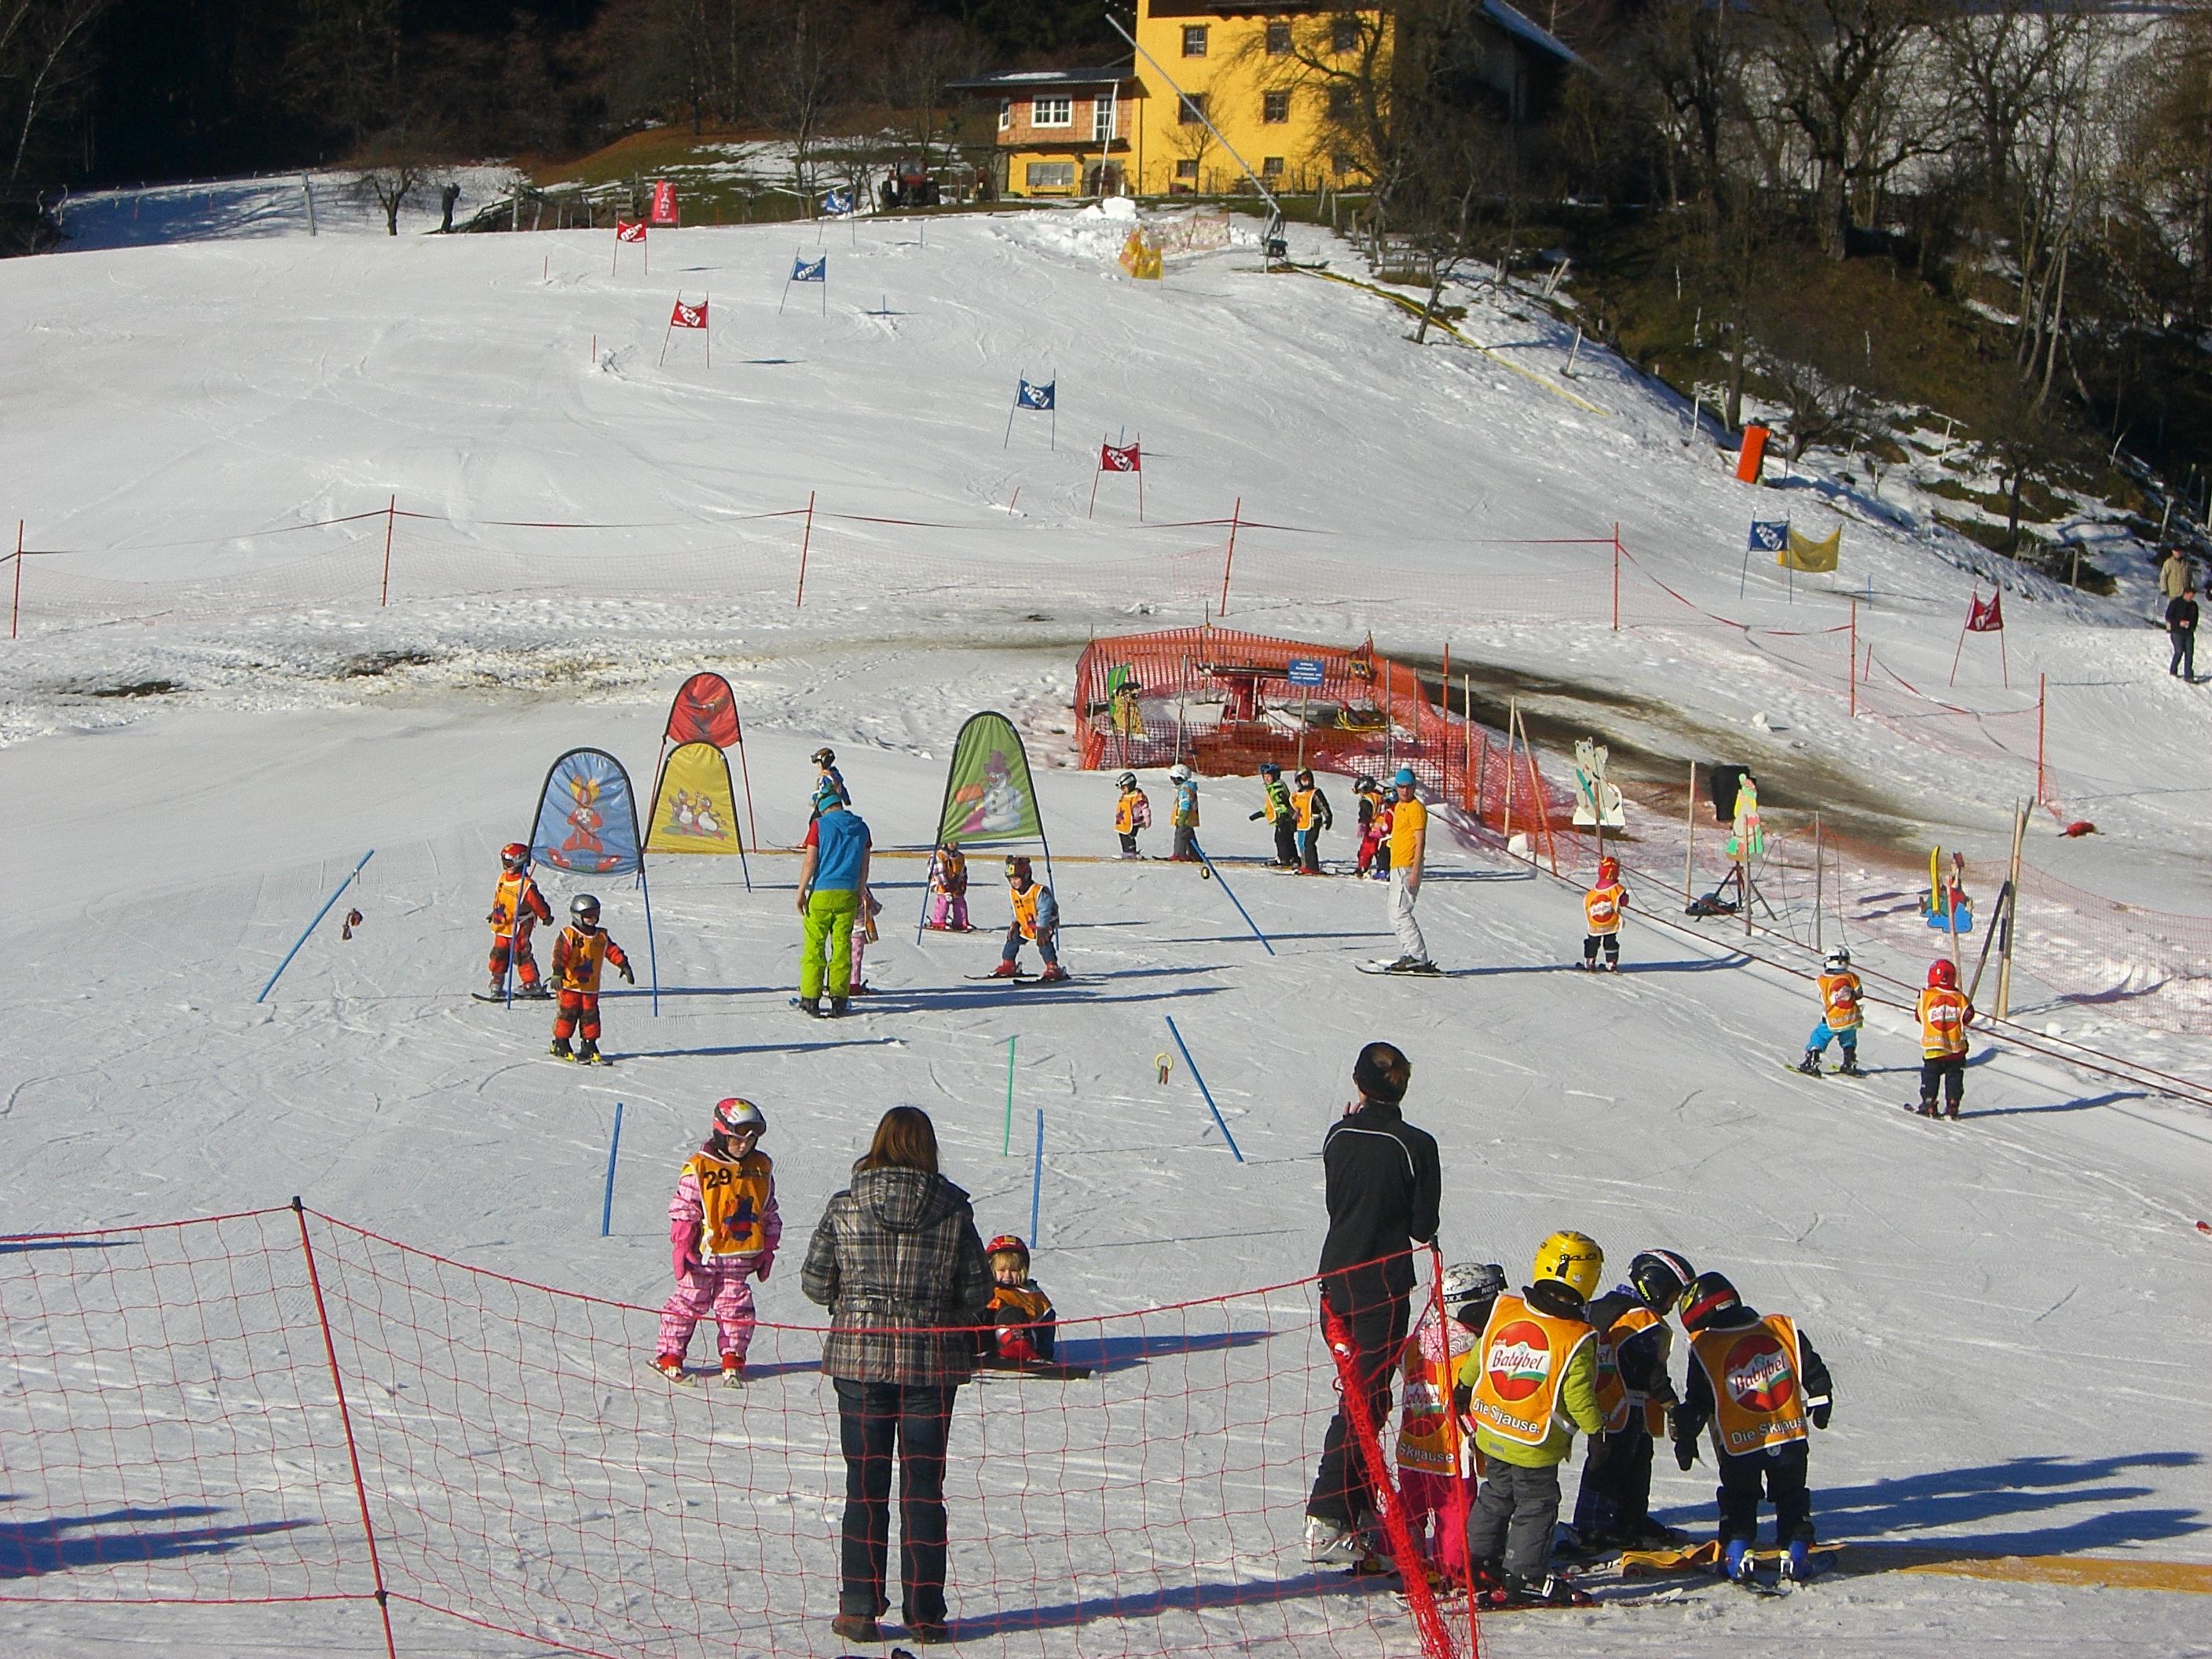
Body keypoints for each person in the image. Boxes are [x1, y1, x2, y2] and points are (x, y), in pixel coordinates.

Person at [800, 1107, 992, 1646]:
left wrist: (854, 1304)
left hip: (860, 1361)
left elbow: (815, 1282)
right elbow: (978, 1292)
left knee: (864, 1489)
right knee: (924, 1491)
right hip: (931, 1366)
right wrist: (941, 1314)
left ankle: (860, 1609)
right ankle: (926, 1614)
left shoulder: (848, 1205)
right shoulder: (953, 1211)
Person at [1304, 1042, 1442, 1562]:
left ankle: (1357, 1508)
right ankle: (1328, 1513)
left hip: (1335, 1280)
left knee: (1369, 1396)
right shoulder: (1416, 1144)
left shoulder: (1339, 1134)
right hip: (1381, 1286)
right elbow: (1422, 1226)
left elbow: (1337, 1202)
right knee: (1363, 1399)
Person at [1459, 1231, 1607, 1606]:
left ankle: (1477, 1562)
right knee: (1536, 1505)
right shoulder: (1576, 1336)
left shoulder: (1507, 1309)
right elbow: (1577, 1395)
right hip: (1534, 1442)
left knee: (1495, 1494)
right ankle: (1525, 1575)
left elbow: (1481, 1353)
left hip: (1493, 1429)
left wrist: (1464, 1386)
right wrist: (1595, 1430)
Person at [1672, 1271, 1833, 1583]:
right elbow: (1813, 1368)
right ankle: (1796, 1551)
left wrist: (1686, 1432)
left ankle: (1736, 1552)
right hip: (1787, 1438)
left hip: (1739, 1445)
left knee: (1739, 1498)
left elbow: (1698, 1400)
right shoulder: (1781, 1329)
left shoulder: (1706, 1346)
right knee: (1792, 1496)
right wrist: (1821, 1396)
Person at [1571, 1248, 1695, 1550]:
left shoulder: (1601, 1308)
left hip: (1603, 1402)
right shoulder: (1642, 1318)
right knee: (1614, 1465)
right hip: (1624, 1405)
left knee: (1631, 1461)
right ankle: (1594, 1526)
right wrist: (1669, 1401)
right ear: (1655, 1285)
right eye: (1673, 1294)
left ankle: (1629, 1518)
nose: (1673, 1303)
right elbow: (1647, 1367)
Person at [654, 1098, 781, 1387]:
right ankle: (670, 1355)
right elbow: (685, 1209)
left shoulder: (760, 1168)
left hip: (740, 1254)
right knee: (688, 1302)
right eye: (737, 1139)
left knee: (736, 1307)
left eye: (750, 1140)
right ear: (721, 1133)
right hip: (705, 1255)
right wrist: (684, 1244)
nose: (743, 1146)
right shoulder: (700, 1167)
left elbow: (768, 1209)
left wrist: (769, 1247)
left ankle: (733, 1357)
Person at [1395, 1261, 1501, 1577]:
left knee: (1411, 1501)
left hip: (1414, 1444)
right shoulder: (1475, 1351)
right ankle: (1453, 1565)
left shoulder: (1417, 1341)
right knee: (1454, 1506)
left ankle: (1400, 1552)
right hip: (1453, 1449)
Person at [795, 789, 871, 1018]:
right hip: (848, 894)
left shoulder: (819, 826)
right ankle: (839, 998)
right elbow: (864, 865)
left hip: (821, 893)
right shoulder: (862, 828)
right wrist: (860, 891)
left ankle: (810, 998)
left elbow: (811, 860)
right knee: (842, 947)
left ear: (823, 807)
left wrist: (801, 891)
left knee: (815, 947)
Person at [548, 894, 632, 1063]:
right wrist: (557, 972)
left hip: (590, 987)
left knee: (591, 1015)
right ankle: (561, 1042)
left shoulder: (600, 936)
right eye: (587, 916)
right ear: (577, 915)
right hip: (570, 985)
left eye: (595, 914)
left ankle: (589, 1044)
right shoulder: (569, 934)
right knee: (568, 1014)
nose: (592, 919)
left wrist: (624, 965)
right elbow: (560, 954)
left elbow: (612, 951)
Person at [485, 841, 554, 999]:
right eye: (504, 862)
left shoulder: (525, 884)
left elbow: (538, 903)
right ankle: (497, 980)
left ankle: (531, 983)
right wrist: (494, 912)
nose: (506, 866)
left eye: (509, 862)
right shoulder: (503, 878)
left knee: (520, 952)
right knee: (499, 953)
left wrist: (546, 916)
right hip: (502, 924)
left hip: (520, 924)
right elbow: (500, 898)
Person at [1382, 767, 1434, 972]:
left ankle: (1417, 955)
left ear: (1414, 787)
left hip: (1408, 866)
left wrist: (1415, 871)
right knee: (1394, 911)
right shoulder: (1401, 807)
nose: (1404, 791)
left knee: (1400, 911)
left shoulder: (1415, 808)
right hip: (1398, 865)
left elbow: (1420, 841)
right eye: (1401, 787)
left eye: (1408, 787)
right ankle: (1411, 953)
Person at [976, 1234, 1057, 1364]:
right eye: (1002, 1270)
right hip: (986, 1341)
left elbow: (1046, 1325)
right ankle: (960, 1345)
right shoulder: (986, 1290)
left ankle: (1016, 1345)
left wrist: (1045, 1354)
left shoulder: (1030, 1294)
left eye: (1013, 1270)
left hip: (1024, 1342)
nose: (1007, 1275)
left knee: (1011, 1313)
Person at [988, 855, 1065, 982]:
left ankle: (1053, 967)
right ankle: (1009, 964)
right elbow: (1016, 907)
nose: (1013, 882)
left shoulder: (1039, 891)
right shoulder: (1014, 892)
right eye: (1011, 879)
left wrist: (1042, 927)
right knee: (1012, 940)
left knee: (1044, 944)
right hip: (1024, 924)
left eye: (1016, 879)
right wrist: (1015, 922)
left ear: (1025, 876)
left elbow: (1045, 910)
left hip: (1042, 925)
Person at [1915, 957, 1973, 1118]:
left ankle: (1929, 1102)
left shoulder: (1926, 995)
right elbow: (1968, 1015)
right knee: (1954, 1076)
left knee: (1931, 1075)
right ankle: (1953, 1103)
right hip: (1956, 1049)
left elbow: (1918, 1016)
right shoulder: (1960, 997)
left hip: (1934, 1048)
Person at [1799, 947, 1866, 1077]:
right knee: (1849, 1039)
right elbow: (1859, 994)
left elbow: (1825, 999)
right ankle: (1850, 1062)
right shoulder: (1852, 977)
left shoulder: (1823, 980)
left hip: (1832, 1018)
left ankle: (1812, 1062)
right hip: (1851, 1018)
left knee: (1819, 1036)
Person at [1580, 855, 1628, 971]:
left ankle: (1590, 961)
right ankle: (1611, 962)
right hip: (1610, 923)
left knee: (1592, 941)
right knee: (1610, 941)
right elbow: (1624, 902)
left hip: (1596, 924)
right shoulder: (1617, 889)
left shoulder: (1592, 893)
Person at [1250, 761, 1297, 866]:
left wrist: (1284, 811)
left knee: (1281, 838)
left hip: (1284, 817)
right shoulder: (1271, 788)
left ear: (1275, 776)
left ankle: (1284, 858)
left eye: (1268, 776)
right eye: (1264, 777)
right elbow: (1271, 806)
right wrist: (1260, 813)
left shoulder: (1277, 787)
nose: (1266, 779)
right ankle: (1293, 857)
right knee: (1287, 838)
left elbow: (1283, 802)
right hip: (1282, 817)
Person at [1292, 767, 1335, 873]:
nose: (1306, 782)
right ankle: (1304, 863)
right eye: (1303, 779)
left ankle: (1312, 866)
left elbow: (1323, 805)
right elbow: (1293, 807)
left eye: (1308, 779)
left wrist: (1328, 817)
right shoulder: (1296, 795)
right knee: (1301, 843)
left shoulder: (1315, 793)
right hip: (1302, 822)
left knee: (1309, 843)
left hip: (1314, 821)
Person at [924, 840, 970, 932]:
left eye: (957, 843)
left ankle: (960, 922)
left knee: (960, 902)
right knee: (944, 901)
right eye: (952, 842)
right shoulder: (939, 856)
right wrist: (945, 886)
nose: (954, 845)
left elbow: (962, 871)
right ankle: (938, 921)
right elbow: (938, 872)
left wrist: (962, 884)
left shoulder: (960, 857)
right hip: (942, 884)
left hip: (956, 884)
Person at [1353, 775, 1390, 880]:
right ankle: (1383, 869)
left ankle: (1362, 868)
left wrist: (1362, 823)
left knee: (1367, 849)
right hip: (1383, 826)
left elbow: (1365, 813)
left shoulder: (1367, 800)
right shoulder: (1379, 796)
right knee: (1381, 850)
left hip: (1372, 828)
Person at [848, 886, 883, 995]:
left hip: (844, 928)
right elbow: (873, 908)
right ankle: (853, 983)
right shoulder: (862, 890)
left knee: (841, 955)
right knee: (855, 957)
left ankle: (839, 981)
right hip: (858, 929)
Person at [1113, 771, 1151, 859]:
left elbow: (1144, 808)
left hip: (1133, 821)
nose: (1123, 790)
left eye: (1124, 788)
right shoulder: (1126, 796)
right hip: (1123, 821)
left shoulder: (1137, 796)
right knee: (1123, 835)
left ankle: (1131, 852)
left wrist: (1147, 818)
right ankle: (1126, 851)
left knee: (1129, 836)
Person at [1169, 764, 1200, 862]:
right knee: (1189, 835)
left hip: (1185, 818)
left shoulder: (1184, 790)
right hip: (1190, 819)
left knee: (1180, 835)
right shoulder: (1188, 788)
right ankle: (1195, 854)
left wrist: (1182, 818)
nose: (1173, 781)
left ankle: (1179, 854)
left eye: (1174, 779)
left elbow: (1185, 804)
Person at [2168, 584, 2199, 680]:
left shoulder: (2194, 605)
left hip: (2189, 632)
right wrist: (2178, 623)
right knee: (2179, 651)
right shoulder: (2176, 603)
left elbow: (2196, 618)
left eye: (2192, 596)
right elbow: (2168, 616)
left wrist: (2192, 626)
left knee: (2189, 653)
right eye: (2190, 595)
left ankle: (2189, 675)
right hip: (2177, 631)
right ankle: (2173, 670)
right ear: (2185, 594)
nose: (2191, 598)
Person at [811, 747, 852, 815]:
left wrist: (815, 799)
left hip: (827, 806)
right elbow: (842, 788)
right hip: (832, 805)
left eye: (818, 763)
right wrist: (846, 799)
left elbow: (825, 790)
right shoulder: (831, 775)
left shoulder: (829, 776)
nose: (818, 766)